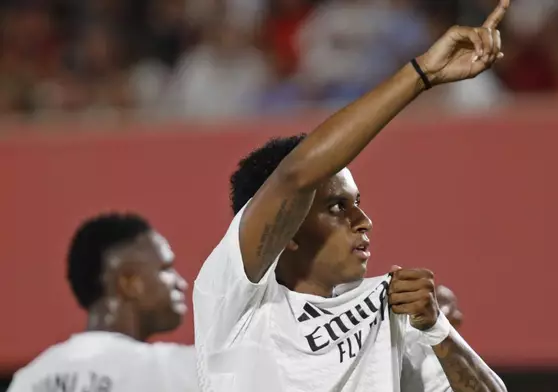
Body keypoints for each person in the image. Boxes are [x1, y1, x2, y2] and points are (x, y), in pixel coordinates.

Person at [193, 1, 510, 391]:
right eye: (337, 207)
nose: (364, 221)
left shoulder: (390, 310)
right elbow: (294, 176)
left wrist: (436, 330)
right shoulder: (233, 299)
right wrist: (422, 73)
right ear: (287, 230)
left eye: (356, 204)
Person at [8, 213, 197, 392]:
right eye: (166, 269)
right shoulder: (174, 372)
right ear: (129, 282)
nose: (181, 283)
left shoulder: (29, 379)